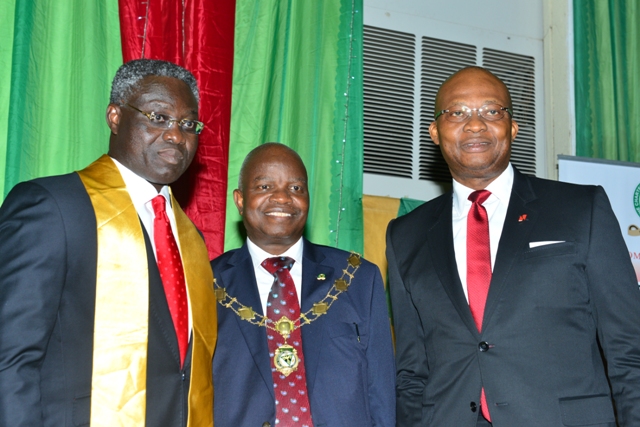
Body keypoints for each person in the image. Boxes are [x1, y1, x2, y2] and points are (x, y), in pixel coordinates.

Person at [386, 66, 640, 426]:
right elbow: (411, 373)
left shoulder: (582, 208)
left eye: (492, 111)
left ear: (513, 128)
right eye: (456, 112)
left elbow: (630, 351)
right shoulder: (405, 235)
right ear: (434, 132)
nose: (475, 124)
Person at [0, 59, 217, 427]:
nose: (176, 136)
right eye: (158, 117)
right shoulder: (53, 207)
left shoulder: (189, 237)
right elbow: (10, 358)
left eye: (187, 124)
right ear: (115, 116)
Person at [212, 142, 395, 427]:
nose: (282, 198)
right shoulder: (206, 282)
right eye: (264, 187)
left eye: (296, 188)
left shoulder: (358, 277)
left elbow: (381, 393)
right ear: (239, 199)